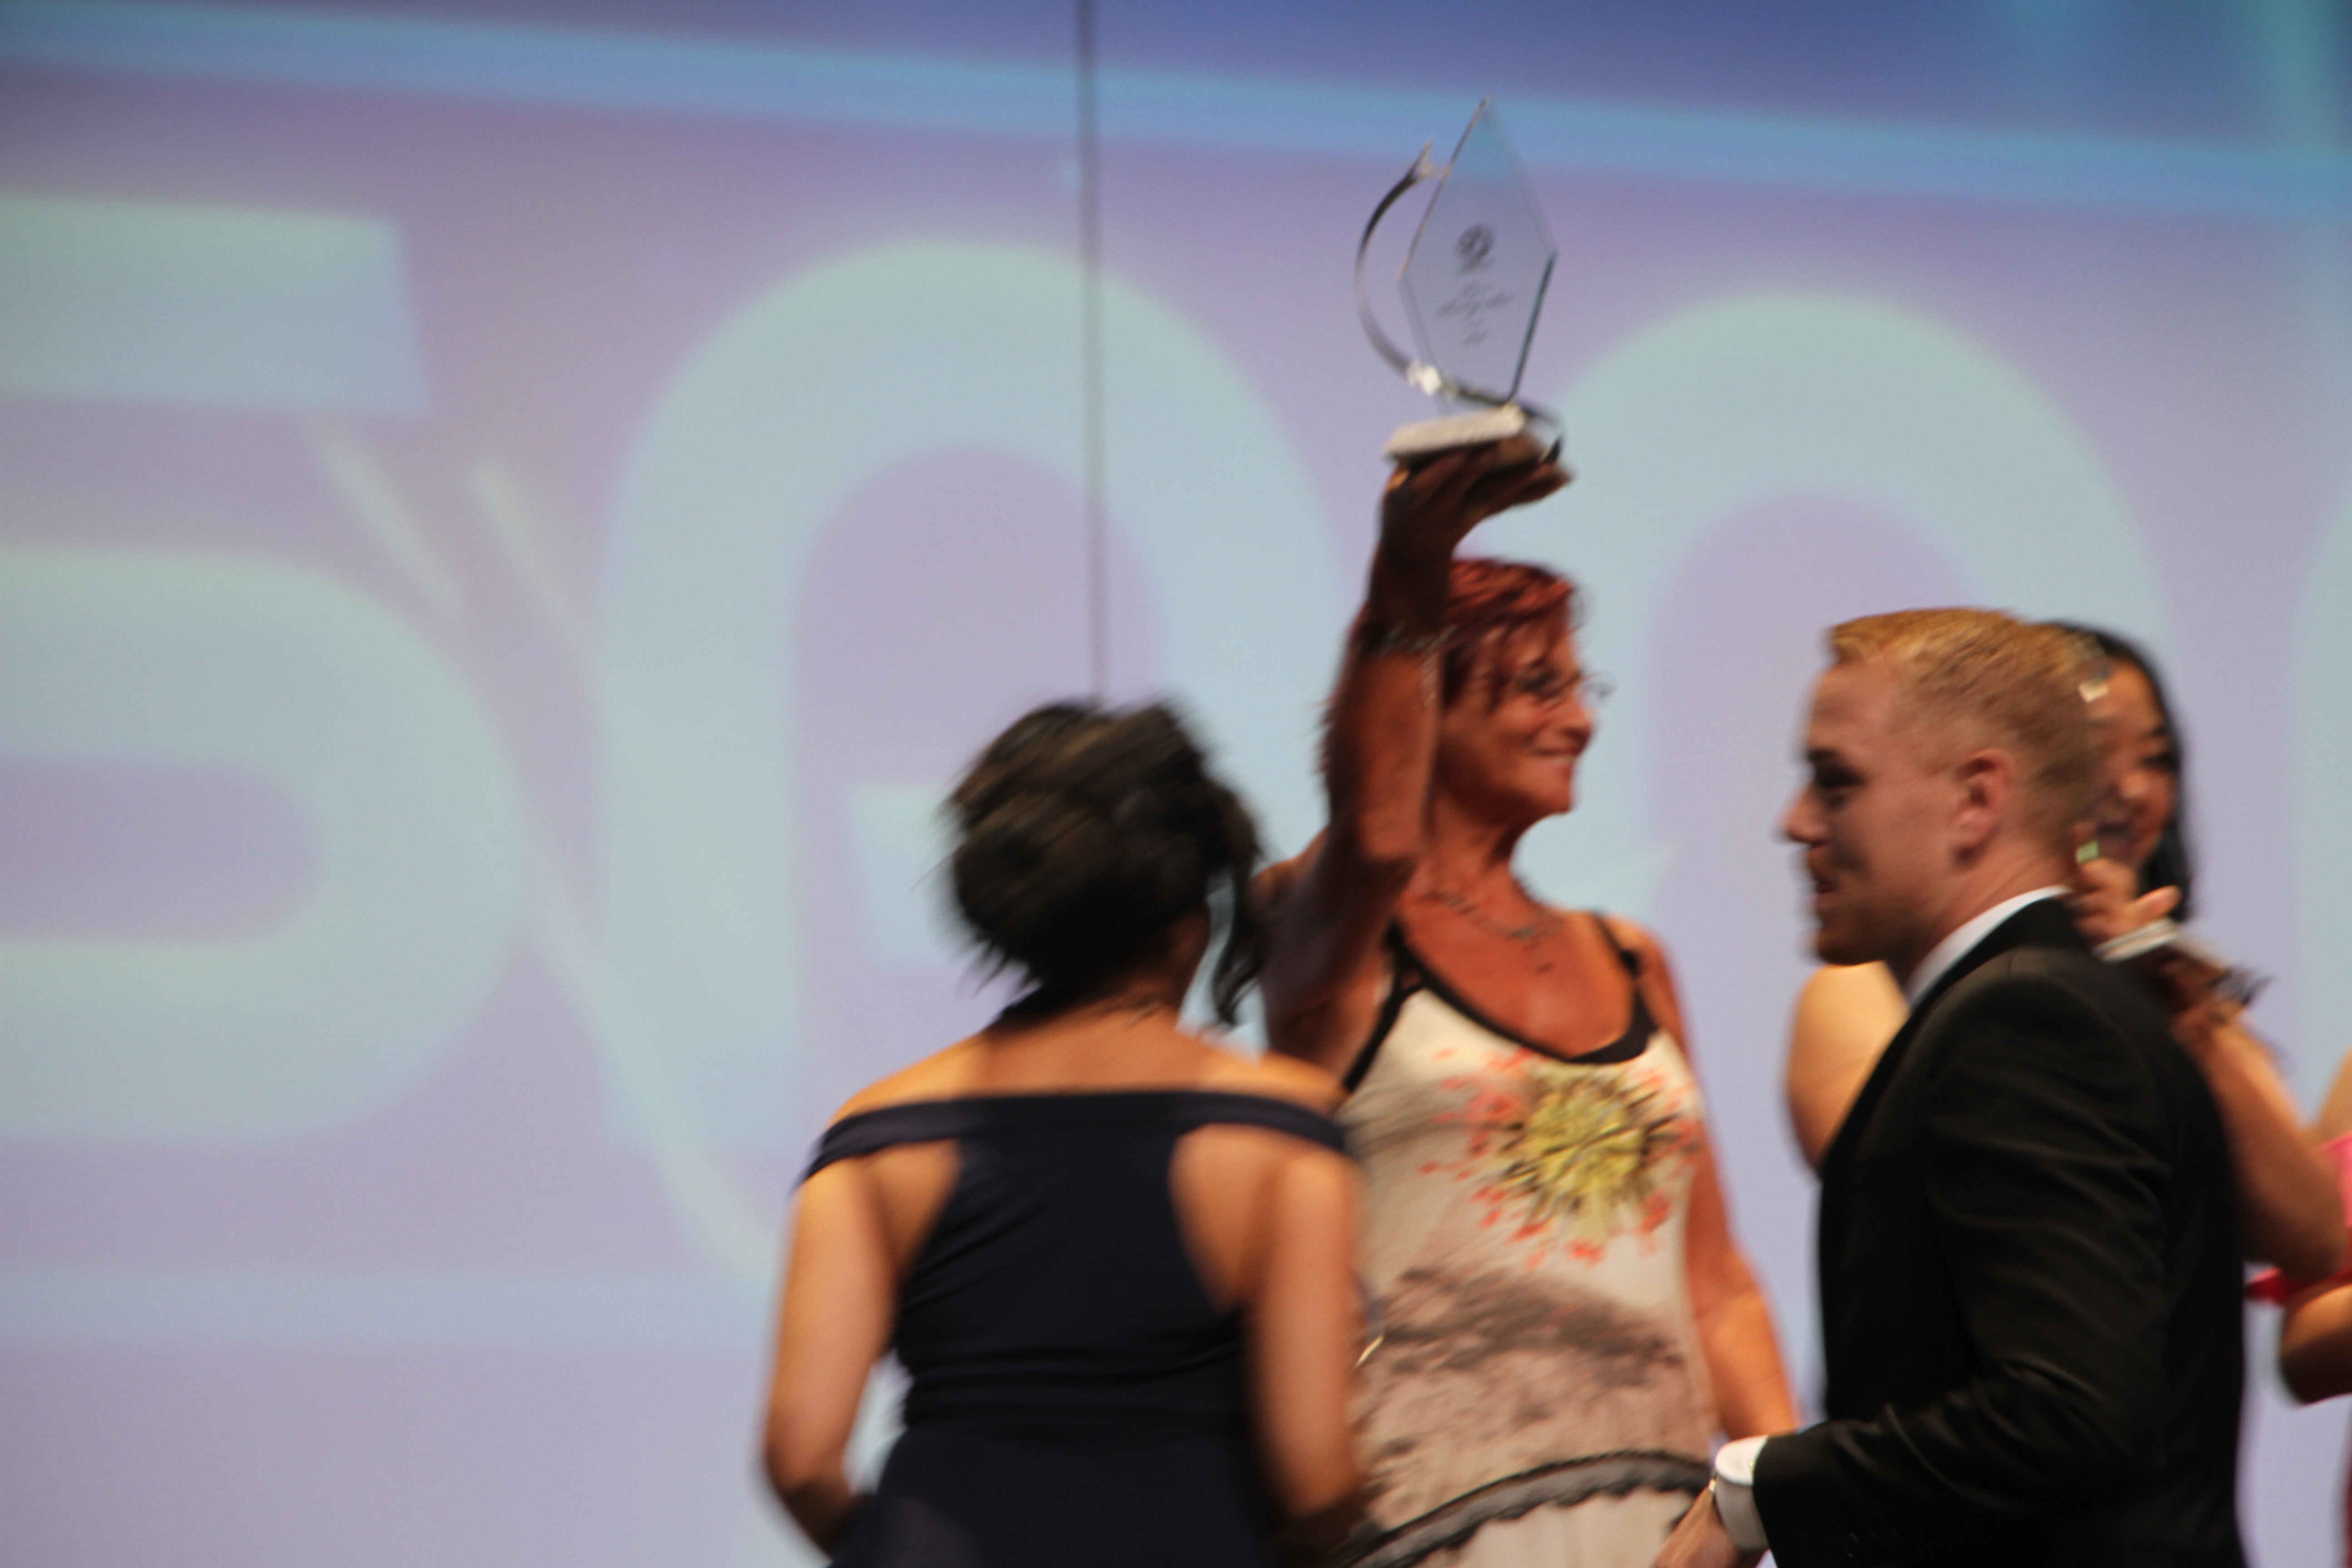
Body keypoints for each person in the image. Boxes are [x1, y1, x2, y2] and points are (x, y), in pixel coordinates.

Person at [1259, 439, 1796, 1568]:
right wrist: (1408, 573)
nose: (1581, 722)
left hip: (1663, 1531)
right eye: (1539, 687)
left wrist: (1787, 1499)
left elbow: (1717, 1285)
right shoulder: (1336, 942)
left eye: (1581, 687)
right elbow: (1378, 837)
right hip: (1429, 1527)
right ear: (1431, 704)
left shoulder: (1632, 959)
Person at [1659, 608, 2246, 1568]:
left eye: (1836, 782)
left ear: (1977, 800)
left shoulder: (2020, 1023)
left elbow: (2073, 1413)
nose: (1795, 822)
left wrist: (1760, 1493)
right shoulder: (2035, 1007)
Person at [762, 701, 1364, 1567]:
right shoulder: (1283, 1132)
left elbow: (799, 1458)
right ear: (1190, 920)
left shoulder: (876, 1138)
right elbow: (1316, 1481)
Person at [1782, 624, 2343, 1282]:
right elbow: (1923, 1227)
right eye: (2095, 750)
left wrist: (2176, 1012)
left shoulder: (2174, 999)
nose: (2129, 789)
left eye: (2156, 759)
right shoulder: (1865, 989)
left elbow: (2315, 1237)